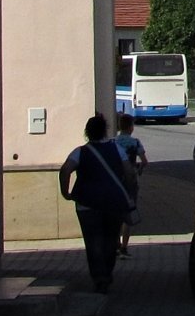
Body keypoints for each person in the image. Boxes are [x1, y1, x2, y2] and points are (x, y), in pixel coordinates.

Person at [60, 113, 137, 293]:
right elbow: (130, 172)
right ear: (105, 131)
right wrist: (128, 191)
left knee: (93, 241)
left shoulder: (80, 152)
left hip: (87, 204)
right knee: (111, 240)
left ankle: (99, 277)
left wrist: (66, 193)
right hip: (113, 202)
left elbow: (65, 170)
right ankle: (107, 274)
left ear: (87, 132)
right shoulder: (116, 149)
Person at [113, 121, 149, 258]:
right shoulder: (135, 142)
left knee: (116, 212)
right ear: (130, 127)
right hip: (131, 180)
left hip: (116, 180)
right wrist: (139, 169)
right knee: (129, 212)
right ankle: (124, 247)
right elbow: (145, 161)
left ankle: (115, 243)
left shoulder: (113, 142)